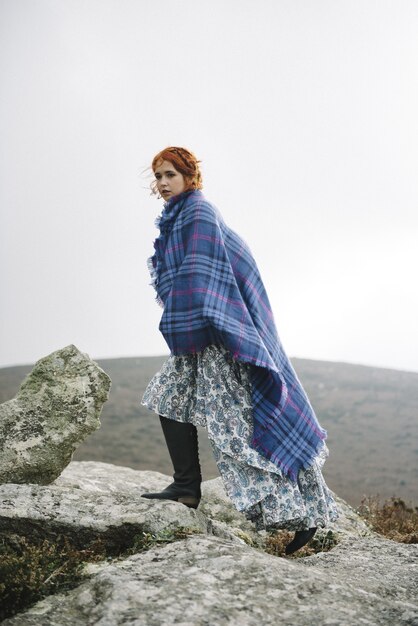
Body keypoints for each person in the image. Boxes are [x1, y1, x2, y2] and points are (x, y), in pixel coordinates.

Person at [141, 146, 339, 555]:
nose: (162, 183)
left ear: (189, 178)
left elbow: (204, 278)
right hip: (203, 336)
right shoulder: (179, 218)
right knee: (167, 397)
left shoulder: (199, 213)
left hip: (218, 338)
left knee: (239, 429)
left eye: (170, 175)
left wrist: (206, 321)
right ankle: (185, 488)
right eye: (158, 176)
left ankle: (305, 515)